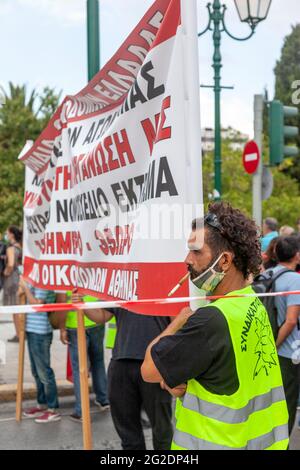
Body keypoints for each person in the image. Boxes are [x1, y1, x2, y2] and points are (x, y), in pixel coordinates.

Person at [141, 202, 289, 450]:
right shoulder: (252, 301)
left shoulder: (210, 320)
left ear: (225, 261)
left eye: (196, 251)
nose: (187, 259)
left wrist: (178, 321)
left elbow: (148, 370)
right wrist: (191, 387)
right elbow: (230, 374)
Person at [71, 291, 173, 450]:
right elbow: (102, 315)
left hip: (156, 365)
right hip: (121, 363)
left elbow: (177, 327)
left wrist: (170, 368)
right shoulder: (123, 283)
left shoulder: (162, 280)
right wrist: (83, 304)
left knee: (162, 430)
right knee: (128, 433)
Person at [266, 236, 300, 435]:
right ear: (296, 255)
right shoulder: (295, 280)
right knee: (286, 404)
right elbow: (291, 320)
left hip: (263, 346)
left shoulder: (267, 274)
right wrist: (275, 345)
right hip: (288, 353)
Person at [60, 292, 109, 422]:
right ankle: (103, 400)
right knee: (98, 362)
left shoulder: (64, 273)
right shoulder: (94, 270)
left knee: (79, 368)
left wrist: (62, 328)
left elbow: (62, 302)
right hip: (96, 319)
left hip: (75, 324)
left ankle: (80, 410)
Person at [20, 277, 61, 423]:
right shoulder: (33, 277)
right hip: (31, 328)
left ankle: (52, 408)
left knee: (44, 371)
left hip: (41, 331)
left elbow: (38, 303)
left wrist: (25, 288)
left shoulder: (44, 279)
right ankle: (42, 403)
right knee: (36, 371)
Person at [3, 226, 22, 342]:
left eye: (7, 232)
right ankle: (21, 333)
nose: (6, 234)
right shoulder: (20, 247)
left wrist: (5, 272)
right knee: (20, 307)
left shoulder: (10, 248)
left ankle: (19, 335)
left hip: (12, 279)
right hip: (20, 278)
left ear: (12, 235)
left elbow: (10, 264)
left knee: (15, 308)